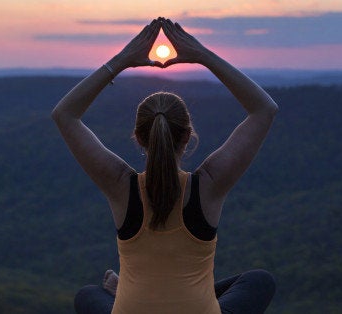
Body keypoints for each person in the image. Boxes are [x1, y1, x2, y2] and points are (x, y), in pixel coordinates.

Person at [52, 17, 279, 314]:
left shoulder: (122, 185)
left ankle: (132, 291)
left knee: (89, 294)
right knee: (259, 281)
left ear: (139, 137)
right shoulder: (208, 185)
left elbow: (65, 114)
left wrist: (122, 60)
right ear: (187, 135)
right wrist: (202, 55)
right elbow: (264, 109)